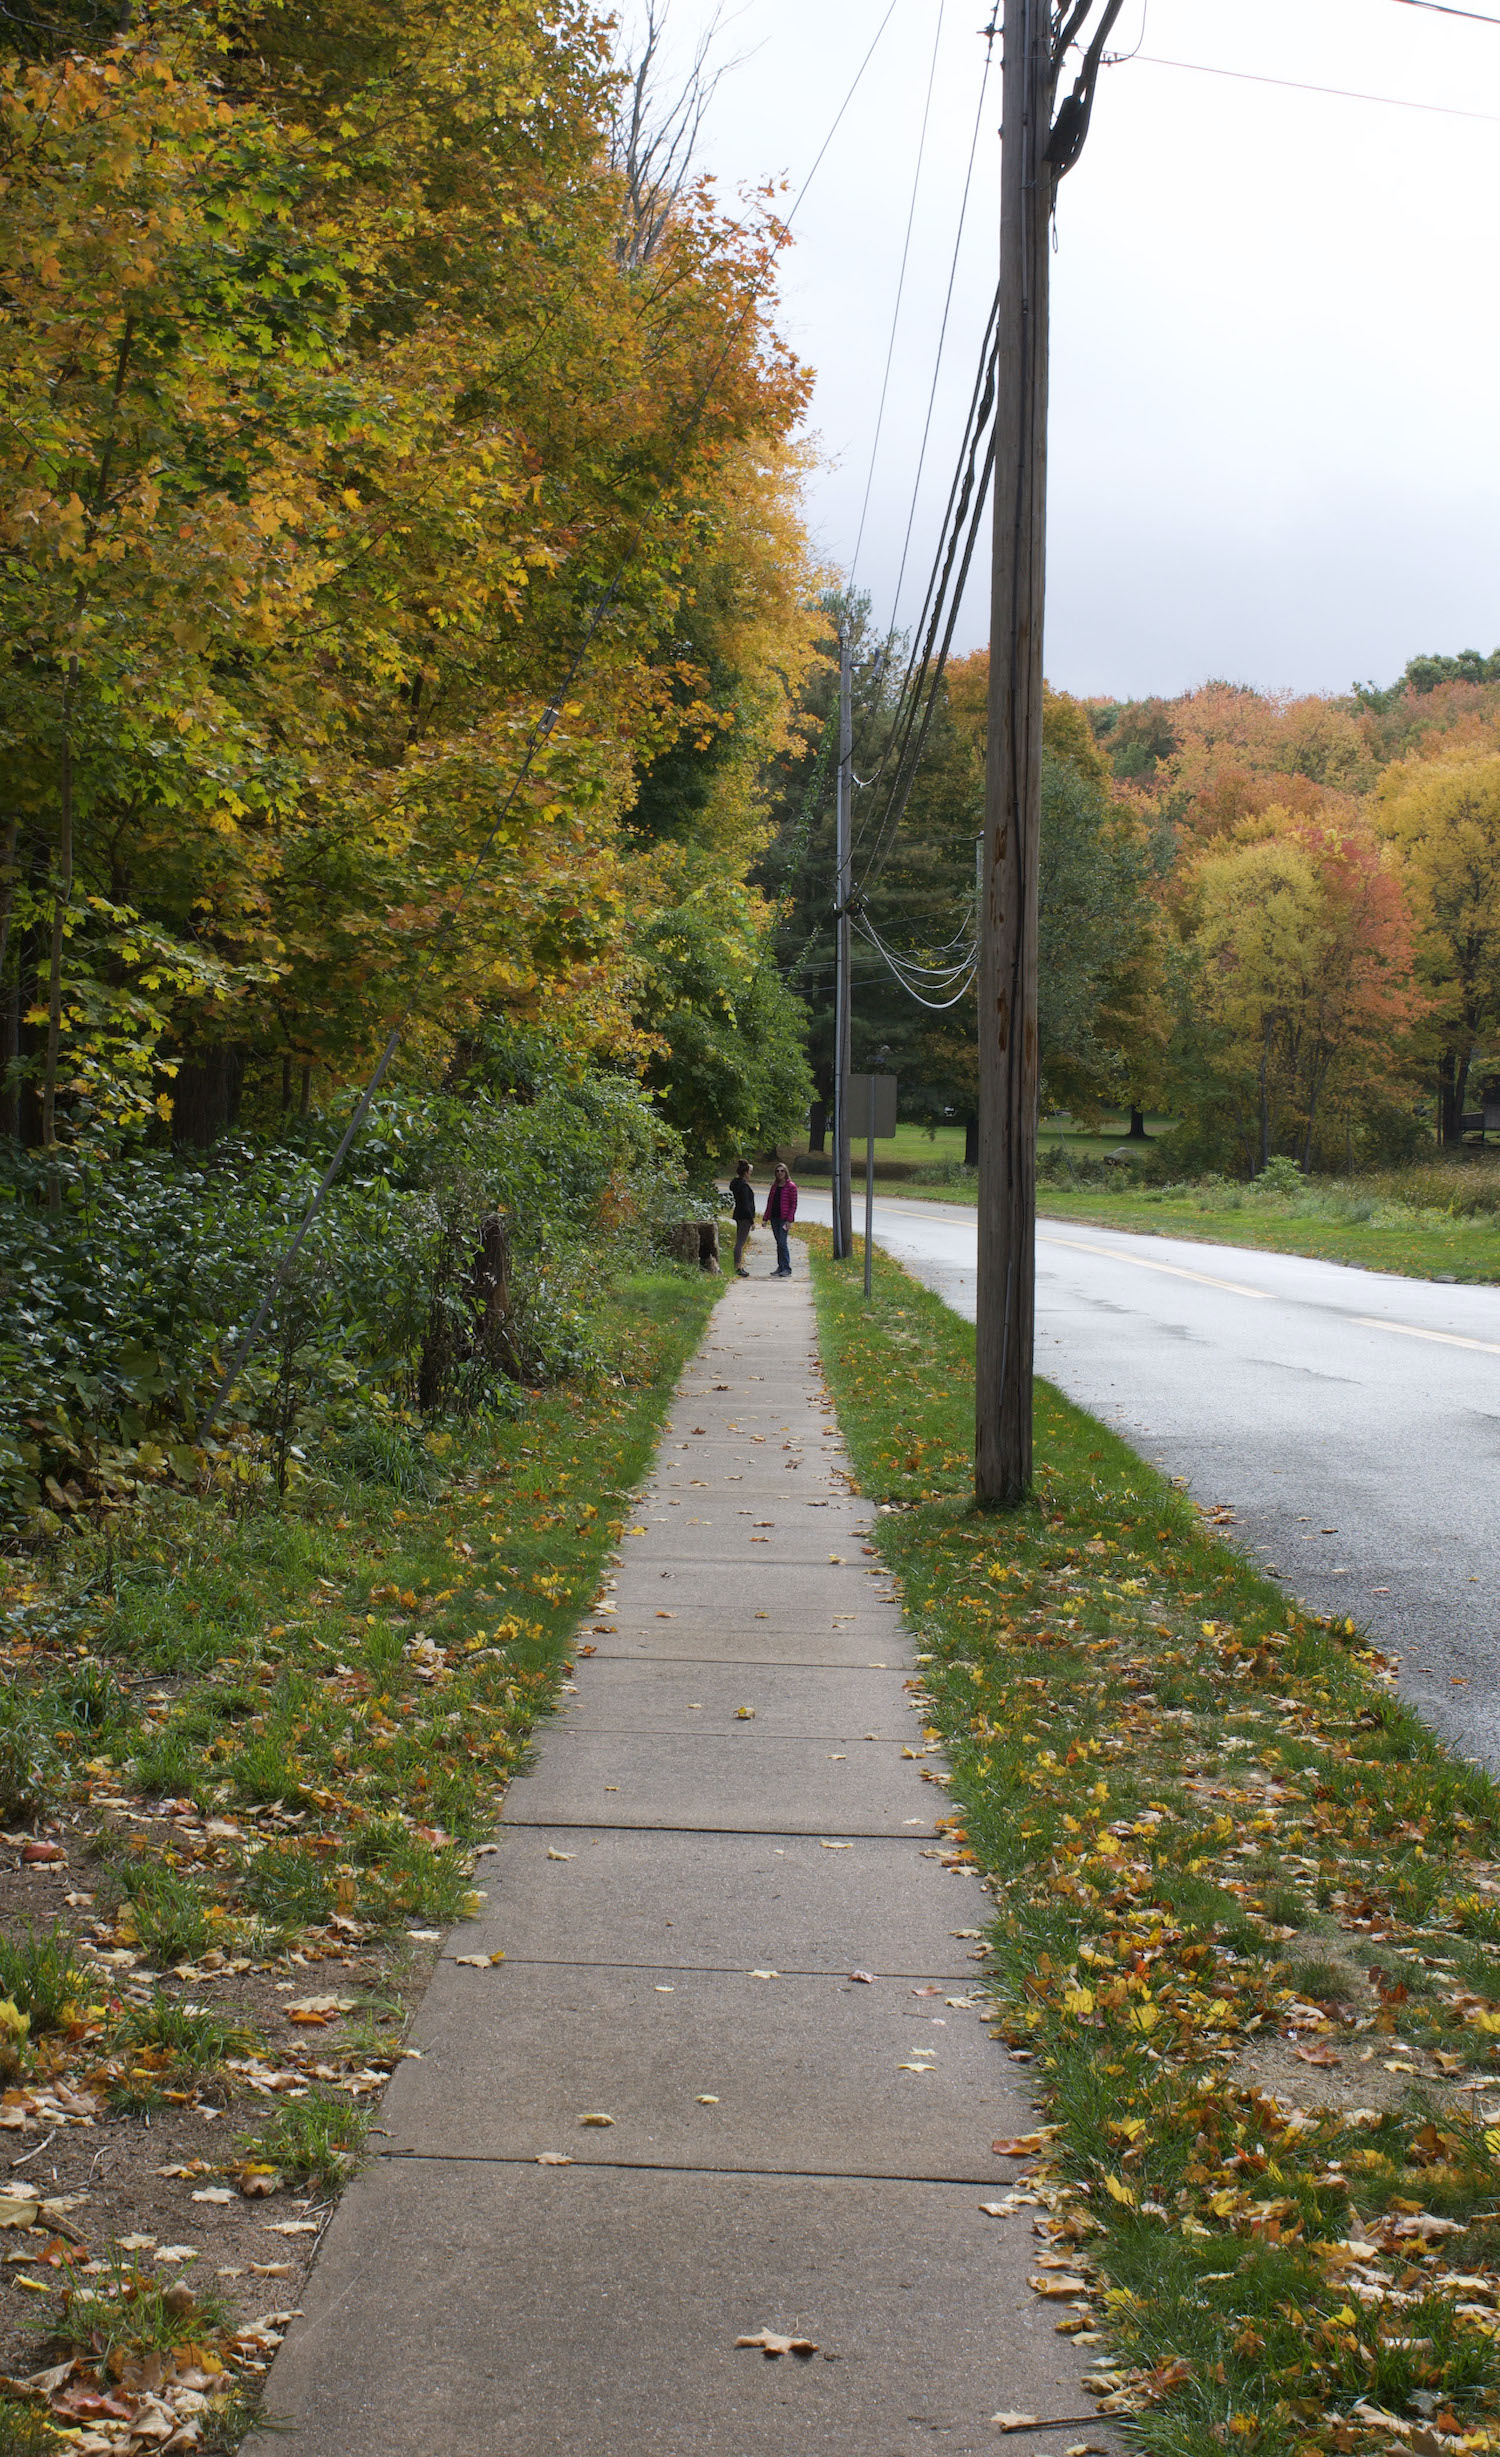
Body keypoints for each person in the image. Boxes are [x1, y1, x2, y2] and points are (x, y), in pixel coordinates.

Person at [762, 1161, 798, 1278]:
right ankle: (780, 1266)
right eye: (777, 1171)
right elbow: (770, 1203)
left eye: (782, 1171)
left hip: (784, 1219)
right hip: (774, 1217)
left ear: (786, 1172)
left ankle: (786, 1268)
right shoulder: (774, 1186)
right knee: (779, 1243)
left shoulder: (791, 1186)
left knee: (782, 1242)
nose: (780, 1173)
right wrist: (765, 1218)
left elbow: (793, 1204)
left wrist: (789, 1220)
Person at [728, 1159, 756, 1277]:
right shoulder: (744, 1186)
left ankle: (738, 1265)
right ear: (745, 1173)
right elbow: (746, 1204)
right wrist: (751, 1220)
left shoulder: (736, 1184)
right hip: (744, 1216)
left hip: (738, 1214)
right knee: (740, 1241)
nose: (750, 1174)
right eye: (749, 1172)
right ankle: (738, 1266)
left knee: (739, 1240)